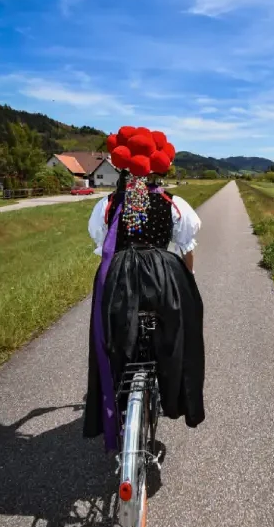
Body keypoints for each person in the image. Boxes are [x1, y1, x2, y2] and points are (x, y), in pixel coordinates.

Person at [83, 126, 205, 451]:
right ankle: (176, 389)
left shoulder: (109, 205)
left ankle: (119, 388)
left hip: (120, 278)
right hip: (162, 275)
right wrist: (184, 284)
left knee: (113, 336)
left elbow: (101, 246)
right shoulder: (172, 203)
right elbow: (186, 248)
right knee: (183, 324)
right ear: (156, 169)